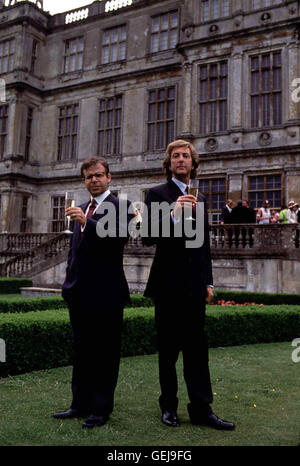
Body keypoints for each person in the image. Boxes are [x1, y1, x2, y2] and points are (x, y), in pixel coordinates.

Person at [142, 139, 235, 431]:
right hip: (167, 284)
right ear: (168, 164)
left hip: (194, 285)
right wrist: (173, 213)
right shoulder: (157, 194)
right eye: (175, 156)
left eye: (185, 156)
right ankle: (168, 407)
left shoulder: (202, 197)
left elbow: (203, 245)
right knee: (168, 352)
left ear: (194, 164)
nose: (180, 160)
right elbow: (147, 237)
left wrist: (208, 280)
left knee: (197, 351)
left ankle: (202, 409)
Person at [53, 157, 133, 429]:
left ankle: (100, 409)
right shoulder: (82, 207)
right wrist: (68, 283)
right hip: (79, 293)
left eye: (99, 175)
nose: (94, 180)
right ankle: (79, 404)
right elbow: (74, 252)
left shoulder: (121, 207)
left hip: (107, 293)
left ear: (109, 177)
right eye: (89, 177)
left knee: (105, 353)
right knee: (82, 351)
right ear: (84, 181)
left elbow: (118, 240)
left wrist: (87, 222)